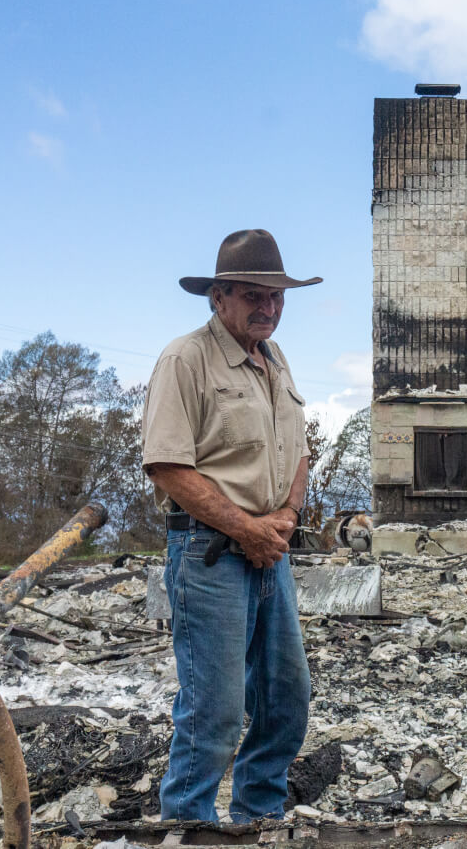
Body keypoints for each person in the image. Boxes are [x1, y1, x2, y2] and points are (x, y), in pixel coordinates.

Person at [142, 229, 320, 822]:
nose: (267, 308)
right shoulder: (186, 358)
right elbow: (167, 465)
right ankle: (188, 826)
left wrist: (288, 518)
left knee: (286, 700)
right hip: (210, 553)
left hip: (272, 551)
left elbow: (298, 451)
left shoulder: (277, 361)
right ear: (218, 297)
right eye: (252, 295)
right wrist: (247, 528)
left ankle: (259, 820)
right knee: (214, 710)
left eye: (276, 298)